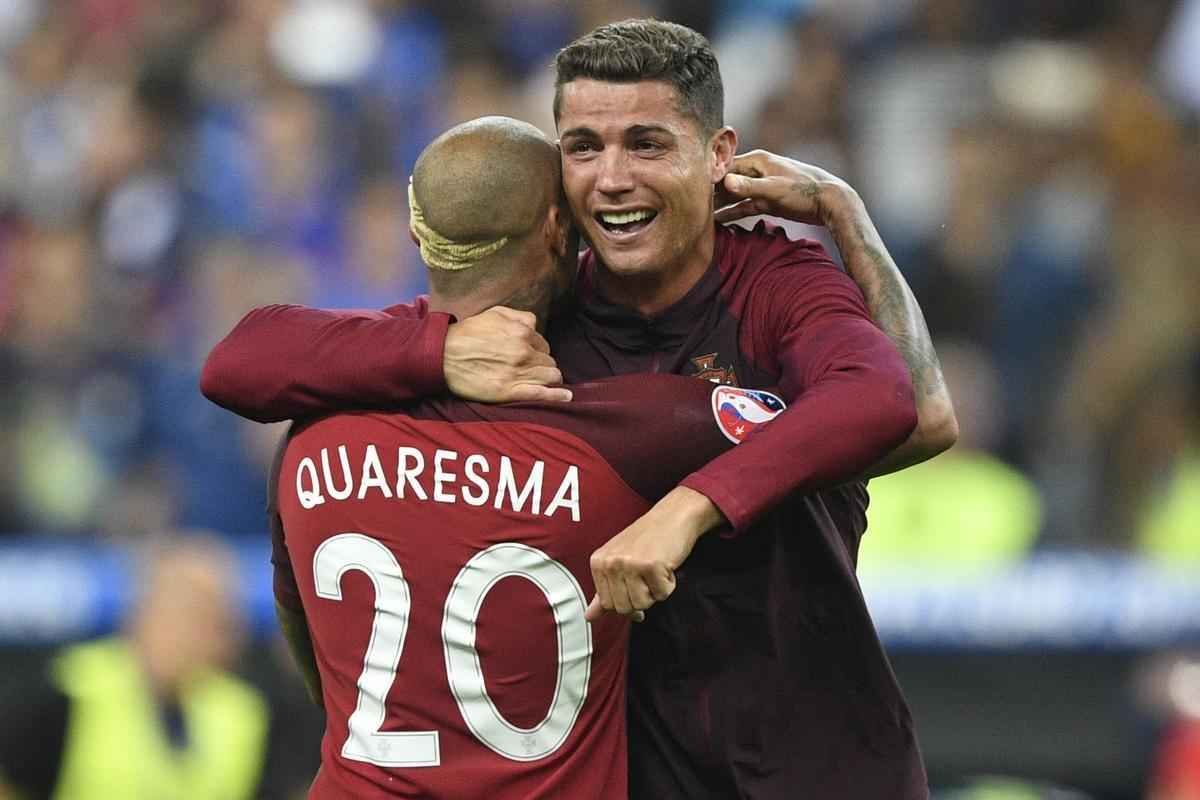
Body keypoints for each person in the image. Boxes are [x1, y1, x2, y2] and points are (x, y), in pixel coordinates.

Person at [203, 20, 955, 799]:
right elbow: (243, 361)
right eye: (584, 148)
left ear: (718, 155)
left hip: (815, 759)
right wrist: (438, 351)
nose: (612, 178)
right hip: (644, 771)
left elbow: (898, 402)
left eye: (647, 145)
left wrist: (691, 506)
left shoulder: (775, 281)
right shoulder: (532, 310)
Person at [267, 116, 804, 798]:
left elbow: (310, 645)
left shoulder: (312, 436)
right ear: (556, 229)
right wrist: (847, 226)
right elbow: (861, 417)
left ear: (417, 236)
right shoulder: (633, 429)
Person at [0, 537, 269, 800]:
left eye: (214, 618)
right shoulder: (71, 689)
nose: (194, 632)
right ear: (144, 607)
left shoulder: (240, 713)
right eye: (186, 610)